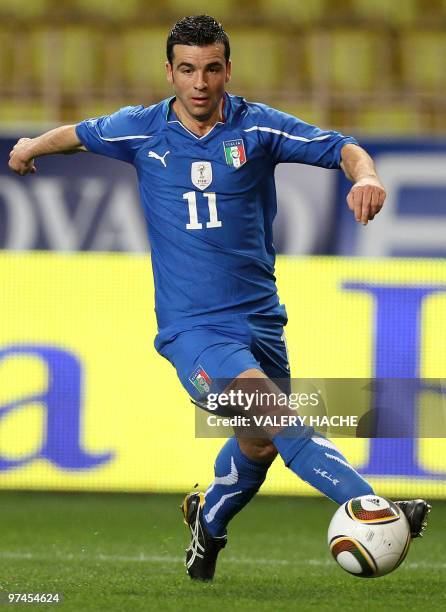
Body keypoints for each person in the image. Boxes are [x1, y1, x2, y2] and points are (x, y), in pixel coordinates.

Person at [9, 15, 430, 582]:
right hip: (194, 331)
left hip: (261, 321)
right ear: (170, 72)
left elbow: (342, 147)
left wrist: (366, 176)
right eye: (187, 70)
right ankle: (376, 507)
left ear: (227, 70)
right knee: (281, 417)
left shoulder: (257, 129)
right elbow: (79, 134)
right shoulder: (140, 129)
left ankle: (206, 523)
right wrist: (31, 147)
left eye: (211, 68)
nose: (200, 82)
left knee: (258, 447)